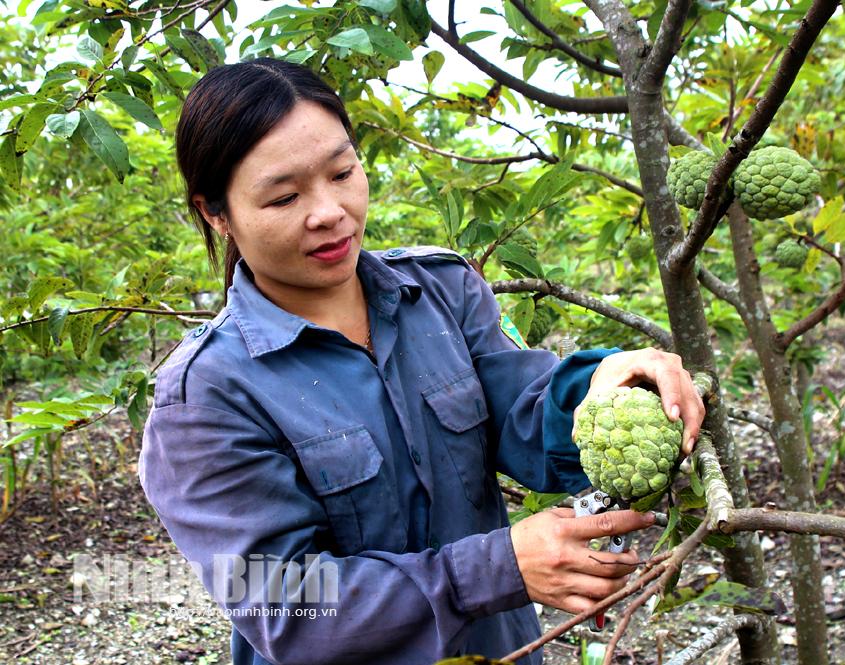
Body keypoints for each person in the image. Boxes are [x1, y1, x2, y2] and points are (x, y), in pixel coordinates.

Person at [138, 57, 706, 665]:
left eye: (342, 171)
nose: (329, 210)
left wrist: (611, 389)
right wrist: (494, 568)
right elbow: (290, 605)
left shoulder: (441, 291)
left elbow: (522, 413)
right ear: (215, 212)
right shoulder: (204, 397)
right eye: (283, 197)